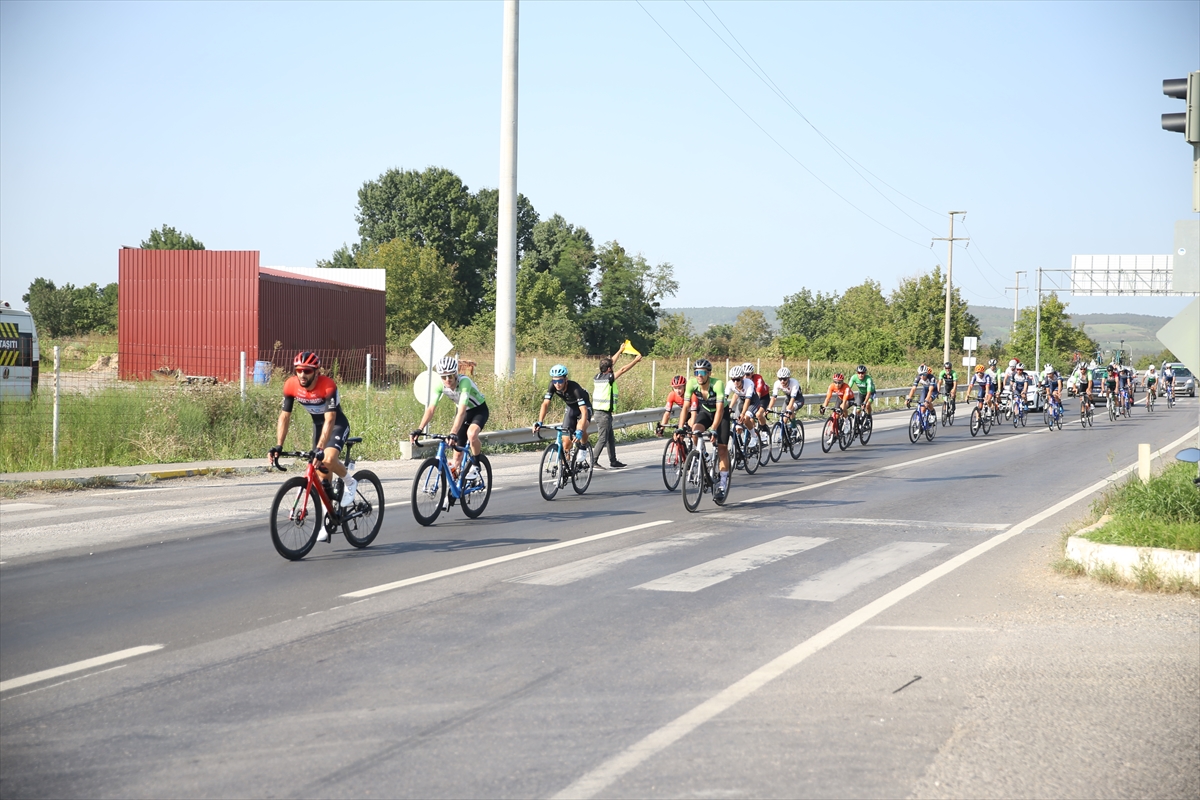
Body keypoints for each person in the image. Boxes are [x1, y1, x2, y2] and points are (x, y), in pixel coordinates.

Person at [269, 351, 355, 543]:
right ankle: (327, 520)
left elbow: (331, 418)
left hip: (336, 424)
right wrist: (278, 445)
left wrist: (321, 447)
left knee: (328, 459)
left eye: (307, 371)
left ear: (316, 371)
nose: (302, 375)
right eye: (298, 370)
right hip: (318, 426)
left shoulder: (328, 385)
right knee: (320, 474)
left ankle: (350, 481)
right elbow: (284, 416)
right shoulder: (291, 385)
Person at [411, 356, 489, 485]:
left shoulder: (464, 383)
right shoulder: (439, 385)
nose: (447, 380)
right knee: (457, 456)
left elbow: (462, 411)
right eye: (444, 377)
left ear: (456, 374)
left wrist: (453, 432)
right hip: (463, 413)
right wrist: (419, 429)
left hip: (478, 410)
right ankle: (455, 488)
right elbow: (431, 409)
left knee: (471, 434)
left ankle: (476, 464)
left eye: (450, 376)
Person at [678, 358, 730, 495]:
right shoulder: (692, 384)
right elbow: (685, 407)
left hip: (721, 414)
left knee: (722, 448)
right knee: (695, 432)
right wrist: (680, 427)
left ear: (709, 373)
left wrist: (713, 429)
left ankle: (722, 484)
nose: (699, 375)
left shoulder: (717, 384)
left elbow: (719, 410)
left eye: (702, 372)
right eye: (696, 372)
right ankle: (704, 455)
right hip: (706, 411)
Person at [591, 346, 643, 469]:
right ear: (609, 369)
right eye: (611, 367)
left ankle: (613, 461)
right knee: (603, 439)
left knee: (610, 439)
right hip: (603, 414)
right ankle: (593, 461)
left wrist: (620, 350)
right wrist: (635, 361)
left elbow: (611, 362)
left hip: (600, 412)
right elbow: (623, 369)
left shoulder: (598, 376)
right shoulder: (609, 378)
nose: (613, 368)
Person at [534, 364, 591, 463]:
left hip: (584, 407)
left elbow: (584, 411)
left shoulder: (575, 388)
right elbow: (545, 404)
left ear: (566, 379)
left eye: (560, 381)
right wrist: (540, 421)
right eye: (554, 381)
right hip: (571, 408)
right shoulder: (552, 386)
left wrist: (580, 431)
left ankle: (583, 447)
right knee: (565, 441)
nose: (557, 384)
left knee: (581, 427)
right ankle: (565, 466)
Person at [739, 362, 772, 431]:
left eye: (747, 374)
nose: (745, 377)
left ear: (752, 373)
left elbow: (758, 394)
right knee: (748, 417)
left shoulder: (758, 379)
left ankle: (764, 429)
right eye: (743, 374)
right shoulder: (741, 380)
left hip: (762, 397)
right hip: (749, 398)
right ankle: (753, 432)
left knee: (758, 414)